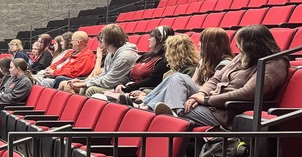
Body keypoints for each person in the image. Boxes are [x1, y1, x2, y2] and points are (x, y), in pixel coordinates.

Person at [153, 25, 289, 129]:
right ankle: (171, 111)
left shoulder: (273, 64)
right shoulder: (243, 57)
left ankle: (172, 113)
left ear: (252, 46)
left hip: (225, 112)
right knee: (177, 77)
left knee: (169, 113)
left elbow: (247, 93)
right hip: (212, 101)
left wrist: (206, 100)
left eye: (239, 44)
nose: (237, 47)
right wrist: (199, 94)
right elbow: (216, 78)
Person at [125, 33, 203, 109]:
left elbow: (175, 93)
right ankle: (144, 103)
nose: (166, 54)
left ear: (176, 53)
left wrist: (146, 94)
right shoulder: (173, 70)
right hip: (159, 99)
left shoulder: (190, 70)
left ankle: (145, 104)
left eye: (168, 50)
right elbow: (161, 88)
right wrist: (144, 91)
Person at [63, 24, 138, 97]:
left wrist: (85, 84)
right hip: (112, 82)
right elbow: (104, 74)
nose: (101, 40)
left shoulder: (125, 57)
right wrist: (85, 81)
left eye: (103, 38)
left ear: (108, 40)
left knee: (91, 89)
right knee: (80, 86)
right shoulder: (111, 53)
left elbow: (109, 81)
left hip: (120, 85)